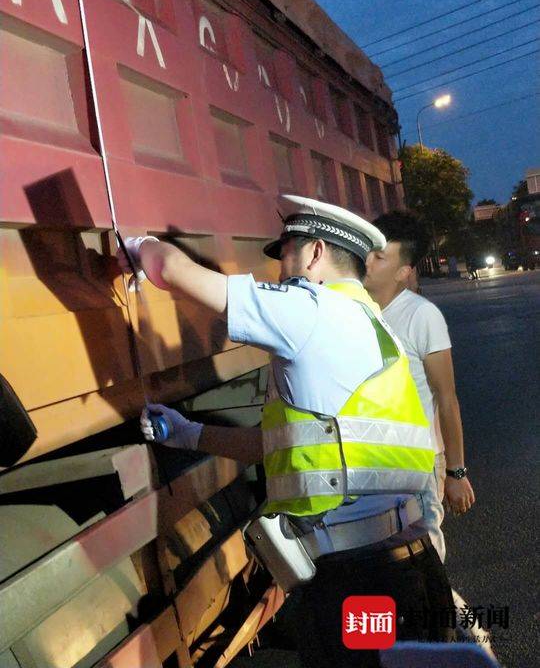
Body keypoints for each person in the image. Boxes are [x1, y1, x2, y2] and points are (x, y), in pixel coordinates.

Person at [117, 195, 455, 667]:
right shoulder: (374, 324)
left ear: (315, 254)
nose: (278, 272)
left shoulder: (310, 311)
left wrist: (137, 244)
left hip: (358, 584)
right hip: (411, 568)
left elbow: (173, 272)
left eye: (286, 254)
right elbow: (285, 448)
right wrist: (189, 433)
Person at [363, 211, 476, 564]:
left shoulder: (421, 316)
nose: (367, 260)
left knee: (422, 561)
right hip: (370, 463)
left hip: (419, 462)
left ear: (403, 271)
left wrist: (456, 472)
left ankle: (451, 620)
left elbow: (447, 399)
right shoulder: (353, 310)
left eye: (380, 256)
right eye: (369, 250)